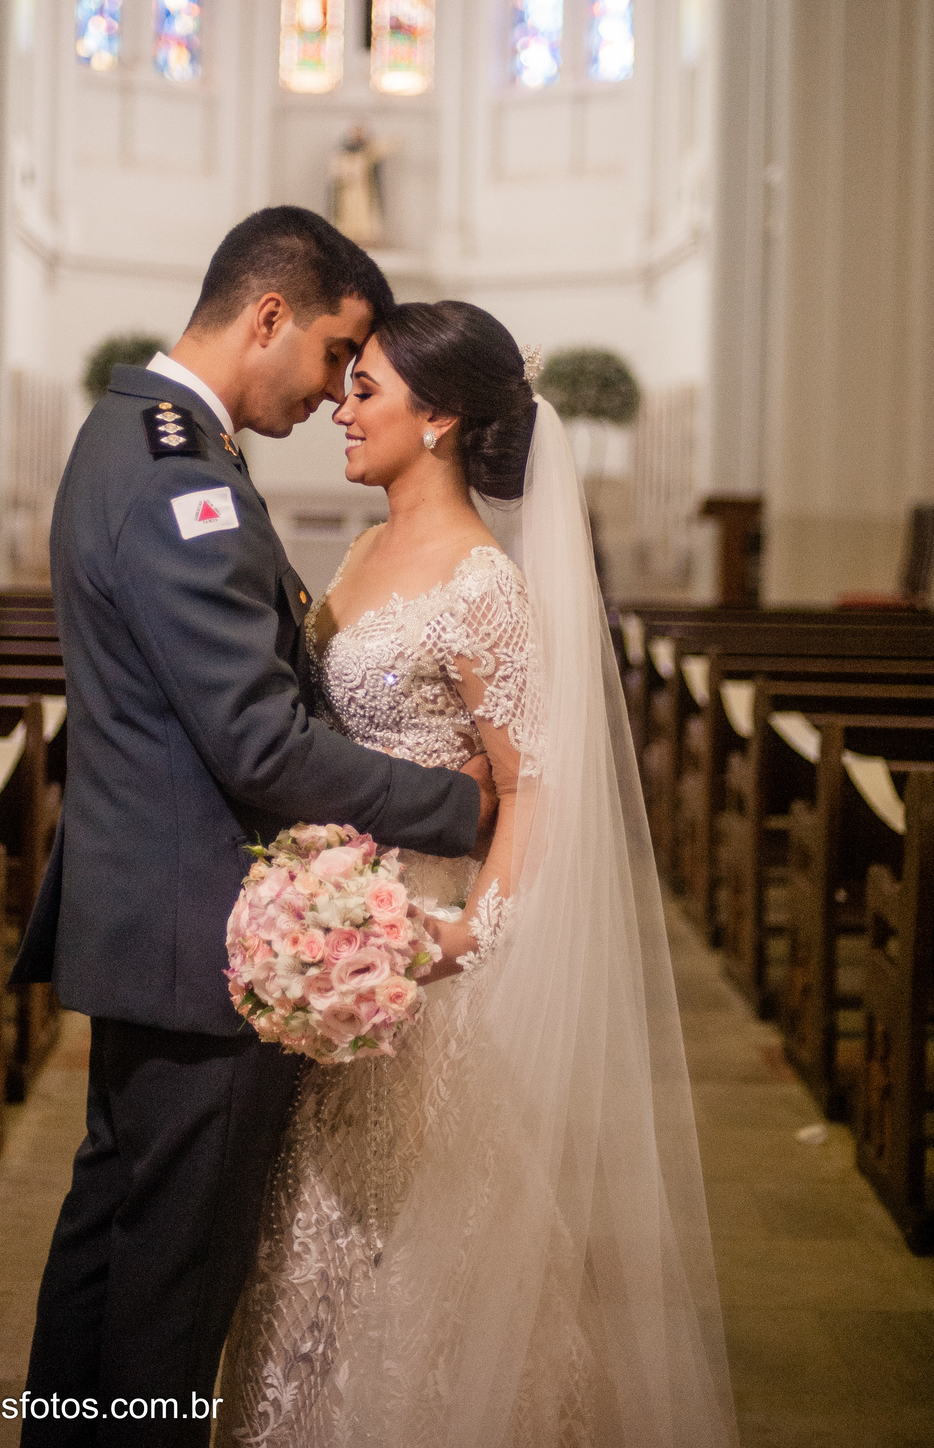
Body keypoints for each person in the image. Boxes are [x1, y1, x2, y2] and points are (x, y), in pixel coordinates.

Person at [11, 213, 496, 1444]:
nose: (336, 389)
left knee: (114, 1247)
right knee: (171, 1293)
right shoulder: (179, 472)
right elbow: (261, 746)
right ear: (269, 315)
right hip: (198, 946)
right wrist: (461, 806)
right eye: (337, 352)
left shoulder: (141, 437)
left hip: (150, 923)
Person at [218, 301, 739, 1448]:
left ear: (440, 417)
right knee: (308, 1227)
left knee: (407, 1232)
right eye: (344, 387)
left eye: (368, 391)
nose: (341, 408)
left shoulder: (484, 587)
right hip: (334, 910)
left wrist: (472, 938)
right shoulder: (362, 547)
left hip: (417, 940)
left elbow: (534, 785)